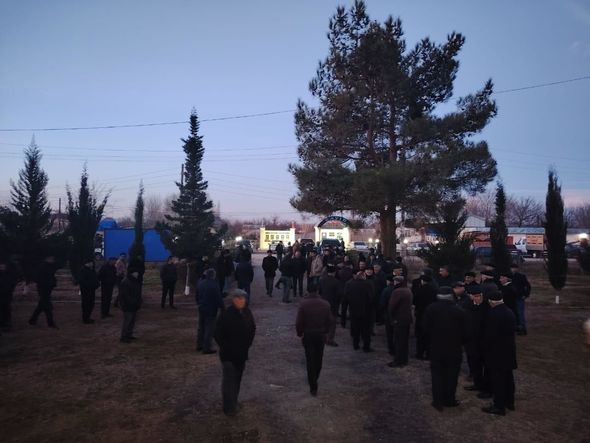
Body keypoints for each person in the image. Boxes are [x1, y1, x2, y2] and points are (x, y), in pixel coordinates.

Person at [423, 286, 466, 411]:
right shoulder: (459, 311)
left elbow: (425, 329)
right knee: (452, 375)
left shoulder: (431, 309)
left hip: (436, 347)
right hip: (454, 349)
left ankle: (437, 401)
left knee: (436, 375)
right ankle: (449, 399)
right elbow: (466, 332)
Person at [214, 289, 256, 416]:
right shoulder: (226, 315)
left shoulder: (247, 313)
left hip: (242, 354)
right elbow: (217, 334)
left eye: (243, 299)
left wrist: (248, 344)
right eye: (238, 298)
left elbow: (252, 328)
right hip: (228, 355)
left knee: (237, 379)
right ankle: (229, 408)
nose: (240, 301)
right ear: (233, 300)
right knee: (229, 382)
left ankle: (234, 402)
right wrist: (227, 347)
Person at [482, 290, 517, 416]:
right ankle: (510, 402)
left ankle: (499, 406)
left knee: (498, 380)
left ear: (491, 301)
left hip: (497, 353)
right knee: (508, 378)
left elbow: (490, 336)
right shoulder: (509, 312)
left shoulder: (493, 314)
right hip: (509, 351)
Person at [296, 282, 333, 396]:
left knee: (309, 359)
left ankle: (313, 384)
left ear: (308, 291)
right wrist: (326, 332)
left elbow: (299, 322)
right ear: (318, 291)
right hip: (320, 334)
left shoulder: (303, 304)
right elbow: (329, 321)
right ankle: (315, 377)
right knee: (318, 358)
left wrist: (300, 333)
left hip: (308, 334)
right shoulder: (325, 304)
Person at [462, 285, 489, 394]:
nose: (478, 298)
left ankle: (486, 387)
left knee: (486, 366)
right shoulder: (467, 305)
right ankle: (477, 384)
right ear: (470, 296)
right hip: (471, 341)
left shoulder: (487, 306)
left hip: (484, 341)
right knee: (474, 364)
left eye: (480, 295)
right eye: (476, 296)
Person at [196, 268, 224, 354]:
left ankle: (199, 345)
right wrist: (222, 307)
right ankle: (207, 347)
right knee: (209, 329)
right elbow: (218, 298)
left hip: (201, 307)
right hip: (211, 309)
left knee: (201, 327)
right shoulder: (214, 285)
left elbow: (197, 296)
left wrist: (199, 304)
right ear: (213, 276)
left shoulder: (200, 283)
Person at [343, 271, 373, 352]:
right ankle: (366, 347)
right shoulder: (367, 284)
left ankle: (355, 345)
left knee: (355, 328)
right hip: (365, 310)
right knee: (366, 330)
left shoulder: (349, 284)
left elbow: (346, 297)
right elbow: (370, 298)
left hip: (353, 309)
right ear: (363, 276)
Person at [387, 276, 413, 368]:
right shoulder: (407, 290)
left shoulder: (397, 292)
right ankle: (404, 359)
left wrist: (391, 318)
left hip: (399, 319)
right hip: (407, 319)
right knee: (404, 341)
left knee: (398, 341)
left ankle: (398, 361)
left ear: (397, 282)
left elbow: (391, 306)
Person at [412, 270, 437, 360]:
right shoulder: (434, 290)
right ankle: (429, 354)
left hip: (420, 313)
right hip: (431, 314)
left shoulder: (419, 289)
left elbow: (414, 301)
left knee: (420, 335)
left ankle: (420, 353)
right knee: (429, 335)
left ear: (422, 281)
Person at [29, 256, 58, 328]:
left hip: (47, 289)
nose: (53, 260)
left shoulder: (48, 266)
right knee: (47, 306)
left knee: (41, 305)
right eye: (51, 258)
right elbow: (39, 279)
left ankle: (32, 319)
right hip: (44, 289)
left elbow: (51, 277)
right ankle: (50, 323)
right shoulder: (43, 267)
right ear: (47, 258)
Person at [319, 264, 341, 346]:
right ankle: (330, 339)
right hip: (333, 305)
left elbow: (319, 291)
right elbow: (339, 294)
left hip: (323, 304)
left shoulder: (321, 280)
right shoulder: (336, 282)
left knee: (324, 322)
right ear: (334, 272)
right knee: (332, 324)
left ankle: (323, 337)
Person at [119, 267, 142, 343]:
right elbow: (125, 295)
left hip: (133, 304)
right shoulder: (126, 282)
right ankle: (124, 337)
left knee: (132, 321)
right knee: (127, 321)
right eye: (136, 272)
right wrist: (133, 302)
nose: (137, 274)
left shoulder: (134, 281)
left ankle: (129, 334)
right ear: (132, 273)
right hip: (128, 305)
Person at [509, 263, 531, 335]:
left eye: (515, 268)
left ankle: (522, 328)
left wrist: (525, 295)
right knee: (513, 313)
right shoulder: (508, 276)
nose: (513, 269)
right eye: (512, 268)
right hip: (511, 298)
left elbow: (528, 286)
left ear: (517, 269)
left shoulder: (521, 276)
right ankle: (516, 327)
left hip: (519, 297)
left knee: (520, 313)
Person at [0, 259, 19, 331]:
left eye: (3, 266)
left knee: (6, 309)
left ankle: (6, 323)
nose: (2, 267)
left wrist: (9, 290)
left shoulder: (8, 275)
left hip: (6, 295)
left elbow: (11, 284)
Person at [79, 258, 99, 324]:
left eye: (92, 263)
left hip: (91, 290)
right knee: (86, 304)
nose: (92, 264)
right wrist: (91, 285)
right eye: (90, 263)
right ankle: (85, 318)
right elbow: (82, 281)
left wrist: (96, 285)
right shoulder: (83, 270)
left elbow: (95, 278)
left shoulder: (91, 270)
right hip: (86, 291)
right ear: (87, 263)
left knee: (91, 304)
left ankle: (88, 317)